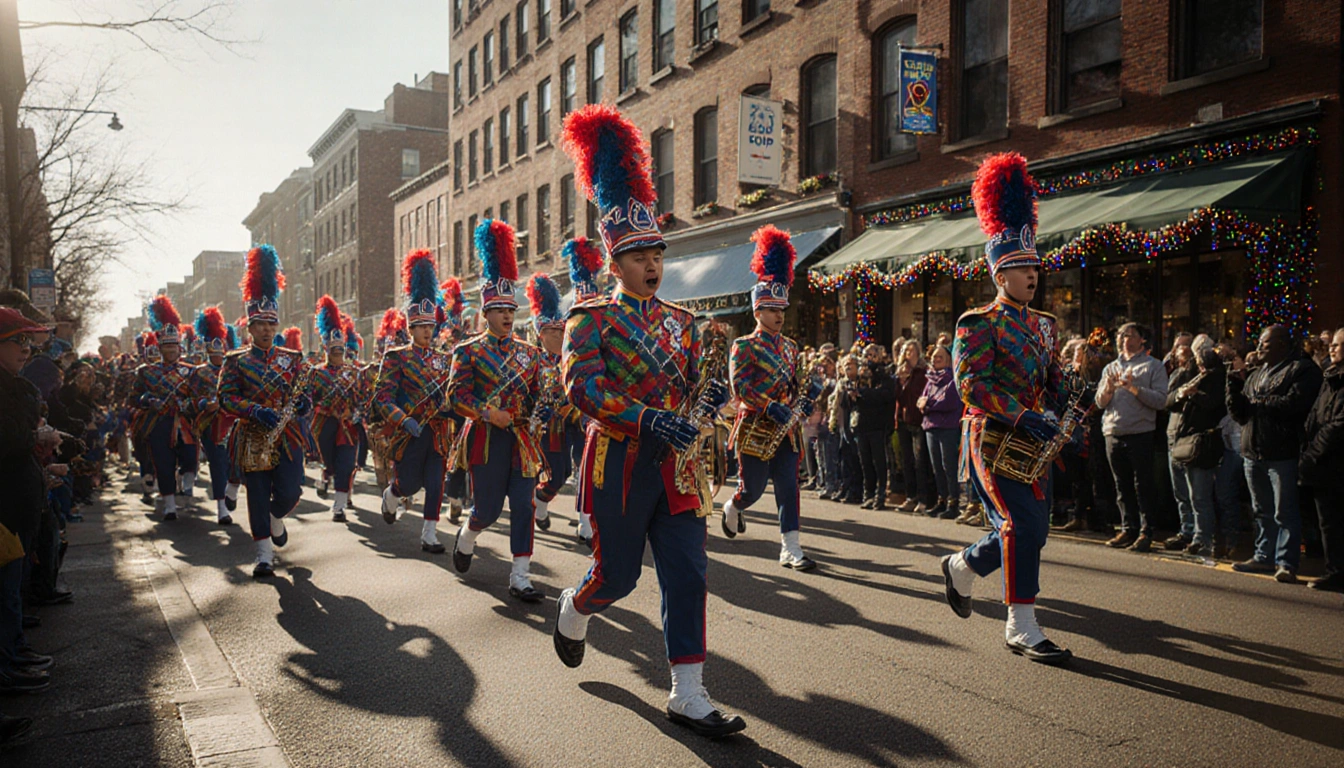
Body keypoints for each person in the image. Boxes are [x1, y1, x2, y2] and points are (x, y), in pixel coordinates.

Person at [552, 104, 742, 738]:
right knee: (619, 576)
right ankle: (574, 608)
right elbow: (582, 387)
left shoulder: (685, 324)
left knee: (689, 572)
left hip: (680, 466)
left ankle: (688, 691)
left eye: (657, 253)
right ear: (616, 263)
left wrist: (712, 402)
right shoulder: (589, 319)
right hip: (621, 462)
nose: (652, 265)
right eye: (638, 256)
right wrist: (644, 419)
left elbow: (695, 389)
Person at [940, 152, 1072, 664]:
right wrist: (1022, 414)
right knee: (1021, 527)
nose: (1031, 273)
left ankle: (963, 568)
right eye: (1019, 266)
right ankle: (1021, 624)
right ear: (999, 272)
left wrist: (1067, 403)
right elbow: (971, 386)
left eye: (1034, 264)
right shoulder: (977, 322)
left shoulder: (1046, 324)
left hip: (1035, 440)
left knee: (1033, 528)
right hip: (991, 439)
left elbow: (1051, 378)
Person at [447, 223, 549, 602]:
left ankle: (520, 575)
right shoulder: (468, 352)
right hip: (486, 440)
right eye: (500, 310)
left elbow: (539, 394)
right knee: (487, 510)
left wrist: (542, 411)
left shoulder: (531, 352)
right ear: (486, 313)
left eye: (512, 309)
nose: (508, 315)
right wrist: (488, 414)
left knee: (524, 504)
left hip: (521, 440)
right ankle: (468, 534)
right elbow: (455, 397)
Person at [721, 225, 820, 570]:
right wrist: (768, 406)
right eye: (772, 308)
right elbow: (741, 387)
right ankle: (733, 506)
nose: (779, 314)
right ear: (757, 311)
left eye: (782, 308)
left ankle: (790, 547)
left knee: (789, 487)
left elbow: (796, 385)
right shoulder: (743, 346)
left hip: (787, 430)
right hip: (755, 428)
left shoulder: (792, 348)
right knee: (753, 489)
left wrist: (808, 396)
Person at [218, 245, 312, 578]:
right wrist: (255, 411)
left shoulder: (292, 358)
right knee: (256, 494)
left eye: (272, 323)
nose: (268, 329)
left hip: (286, 435)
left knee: (290, 491)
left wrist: (304, 404)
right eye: (260, 324)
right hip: (253, 436)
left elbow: (305, 391)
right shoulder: (236, 361)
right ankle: (263, 555)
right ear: (250, 327)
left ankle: (277, 518)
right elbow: (225, 398)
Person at [374, 249, 456, 553]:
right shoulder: (396, 357)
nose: (427, 331)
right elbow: (382, 397)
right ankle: (392, 494)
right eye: (421, 326)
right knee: (409, 484)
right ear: (411, 328)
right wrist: (402, 418)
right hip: (408, 432)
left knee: (436, 483)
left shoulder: (444, 359)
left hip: (436, 432)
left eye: (430, 326)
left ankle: (429, 534)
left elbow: (453, 392)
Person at [1227, 324, 1323, 582]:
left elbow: (1295, 404)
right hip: (1253, 450)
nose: (1258, 347)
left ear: (1282, 344)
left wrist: (1259, 403)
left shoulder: (1303, 370)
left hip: (1283, 452)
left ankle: (1286, 562)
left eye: (1264, 343)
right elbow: (1241, 414)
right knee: (1261, 509)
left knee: (1285, 511)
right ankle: (1263, 556)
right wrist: (1233, 388)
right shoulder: (1257, 374)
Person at [0, 308, 57, 699]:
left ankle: (13, 652)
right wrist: (39, 434)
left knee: (12, 588)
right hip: (5, 504)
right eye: (18, 341)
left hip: (17, 501)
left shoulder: (12, 385)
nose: (26, 349)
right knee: (5, 591)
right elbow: (9, 440)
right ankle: (5, 666)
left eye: (27, 342)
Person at [1097, 322, 1169, 552]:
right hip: (1113, 432)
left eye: (1129, 335)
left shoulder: (1152, 366)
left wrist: (1133, 388)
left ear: (1141, 340)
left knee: (1143, 484)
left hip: (1140, 433)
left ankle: (1146, 531)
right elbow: (1099, 402)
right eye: (1120, 335)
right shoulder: (1110, 367)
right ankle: (1128, 528)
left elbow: (1160, 400)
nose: (1123, 339)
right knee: (1121, 485)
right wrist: (1108, 389)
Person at [131, 296, 200, 522]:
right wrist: (149, 400)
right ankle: (170, 505)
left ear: (180, 348)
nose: (171, 350)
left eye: (174, 346)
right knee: (163, 463)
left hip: (185, 423)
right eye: (167, 346)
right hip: (158, 422)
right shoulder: (146, 372)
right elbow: (134, 398)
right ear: (160, 348)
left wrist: (188, 405)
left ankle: (186, 479)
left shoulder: (191, 371)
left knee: (190, 457)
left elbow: (199, 397)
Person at [1165, 345, 1227, 556]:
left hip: (1203, 442)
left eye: (1203, 363)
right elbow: (1169, 401)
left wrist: (1194, 395)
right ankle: (1191, 532)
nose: (1200, 368)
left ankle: (1203, 538)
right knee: (1186, 493)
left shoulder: (1218, 380)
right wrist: (1183, 393)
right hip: (1186, 441)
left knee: (1200, 496)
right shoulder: (1191, 377)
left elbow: (1214, 405)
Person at [1057, 329, 1117, 534]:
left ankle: (1099, 518)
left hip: (1093, 430)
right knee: (1077, 476)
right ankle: (1078, 514)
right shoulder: (1068, 375)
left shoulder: (1098, 374)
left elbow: (1097, 400)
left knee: (1096, 475)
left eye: (1083, 353)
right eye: (1076, 354)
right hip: (1072, 429)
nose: (1079, 358)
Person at [310, 296, 363, 523]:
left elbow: (362, 398)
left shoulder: (353, 372)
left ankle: (339, 507)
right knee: (330, 463)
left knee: (346, 464)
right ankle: (325, 476)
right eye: (334, 351)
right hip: (325, 425)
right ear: (326, 350)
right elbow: (308, 400)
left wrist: (356, 413)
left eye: (341, 351)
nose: (338, 355)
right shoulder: (317, 373)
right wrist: (323, 408)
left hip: (348, 425)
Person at [1301, 328, 1344, 591]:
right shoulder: (1330, 376)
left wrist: (1313, 451)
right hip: (1323, 465)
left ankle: (1337, 572)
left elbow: (1338, 424)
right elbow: (1316, 413)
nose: (1332, 348)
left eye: (1338, 345)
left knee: (1335, 521)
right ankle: (1335, 570)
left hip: (1335, 460)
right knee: (1328, 521)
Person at [190, 307, 240, 525]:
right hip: (212, 425)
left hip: (236, 423)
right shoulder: (199, 372)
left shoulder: (237, 369)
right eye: (215, 348)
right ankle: (221, 509)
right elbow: (192, 399)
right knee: (218, 464)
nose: (219, 353)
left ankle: (232, 491)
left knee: (235, 464)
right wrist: (204, 404)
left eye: (222, 348)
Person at [839, 345, 895, 510]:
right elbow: (846, 403)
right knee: (865, 462)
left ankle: (880, 494)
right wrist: (851, 395)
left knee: (879, 462)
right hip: (861, 424)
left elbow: (885, 396)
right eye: (866, 355)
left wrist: (863, 393)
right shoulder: (858, 375)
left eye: (872, 355)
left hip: (877, 424)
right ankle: (868, 493)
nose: (869, 358)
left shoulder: (884, 375)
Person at [919, 344, 962, 519]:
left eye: (940, 357)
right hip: (931, 426)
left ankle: (954, 502)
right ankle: (942, 499)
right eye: (934, 357)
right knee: (936, 467)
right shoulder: (929, 379)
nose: (936, 360)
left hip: (948, 427)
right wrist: (927, 403)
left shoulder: (953, 379)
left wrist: (928, 404)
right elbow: (921, 399)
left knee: (948, 466)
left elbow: (948, 401)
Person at [893, 339, 932, 513]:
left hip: (919, 421)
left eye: (911, 350)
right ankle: (910, 496)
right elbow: (898, 398)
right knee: (906, 461)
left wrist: (908, 382)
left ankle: (924, 498)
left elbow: (921, 395)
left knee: (920, 462)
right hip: (904, 420)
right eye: (906, 350)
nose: (909, 353)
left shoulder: (923, 372)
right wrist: (900, 381)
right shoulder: (901, 371)